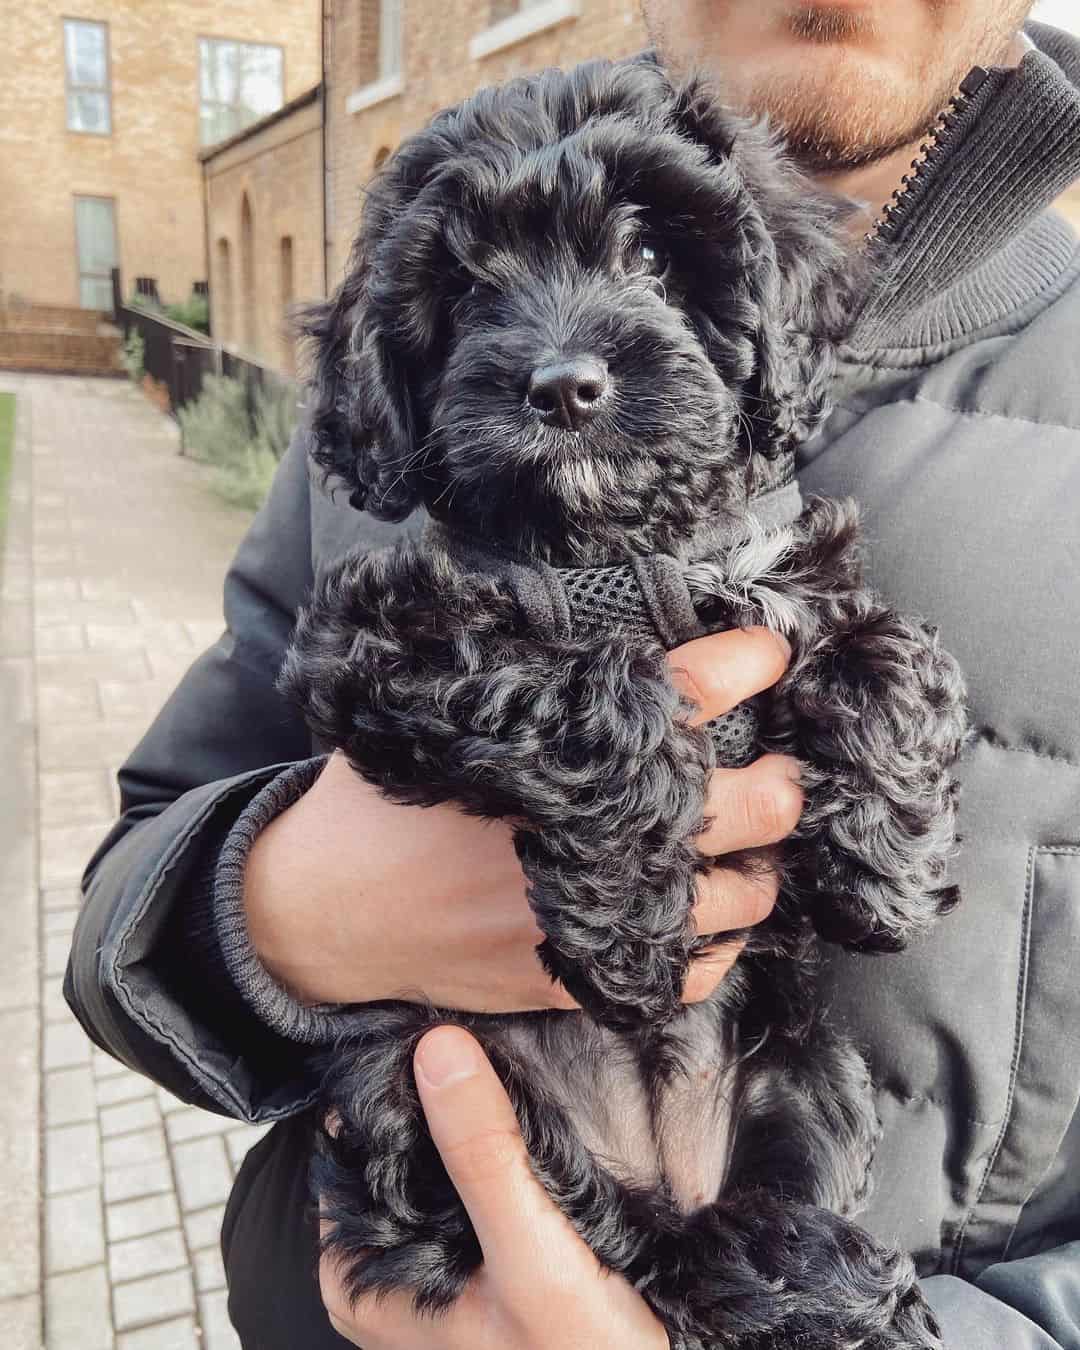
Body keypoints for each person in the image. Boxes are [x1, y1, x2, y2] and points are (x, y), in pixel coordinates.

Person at [66, 2, 1080, 1345]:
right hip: (444, 1200)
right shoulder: (407, 495)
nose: (563, 361)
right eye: (479, 293)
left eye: (650, 257)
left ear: (766, 321)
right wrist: (280, 908)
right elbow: (130, 909)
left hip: (775, 1216)